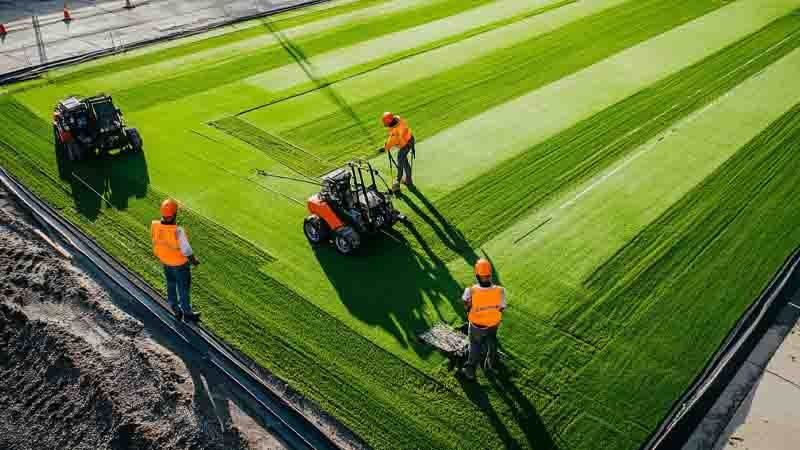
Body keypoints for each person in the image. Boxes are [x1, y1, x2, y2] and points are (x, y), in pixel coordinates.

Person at [151, 198, 200, 322]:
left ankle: (175, 309)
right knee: (183, 288)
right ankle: (187, 313)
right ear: (175, 214)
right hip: (180, 265)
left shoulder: (155, 225)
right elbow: (187, 251)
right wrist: (194, 261)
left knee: (171, 284)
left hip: (165, 262)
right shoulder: (178, 231)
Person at [460, 258, 506, 380]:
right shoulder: (500, 291)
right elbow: (501, 308)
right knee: (491, 341)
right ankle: (489, 364)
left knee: (474, 346)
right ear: (490, 275)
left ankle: (470, 370)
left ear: (477, 275)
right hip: (492, 325)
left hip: (476, 326)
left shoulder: (470, 291)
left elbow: (466, 305)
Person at [378, 112, 415, 192]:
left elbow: (391, 141)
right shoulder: (400, 121)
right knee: (404, 161)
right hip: (410, 139)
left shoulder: (395, 131)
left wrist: (384, 148)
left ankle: (397, 184)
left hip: (405, 146)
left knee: (400, 162)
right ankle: (408, 180)